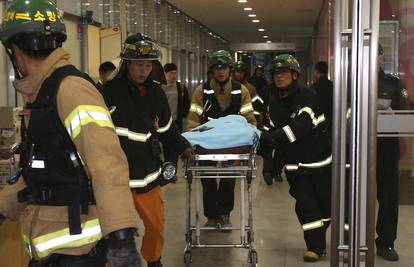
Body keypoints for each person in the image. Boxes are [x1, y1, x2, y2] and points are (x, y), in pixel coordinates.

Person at [0, 1, 141, 267]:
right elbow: (40, 174)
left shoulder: (70, 89)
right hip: (49, 252)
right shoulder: (42, 96)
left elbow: (107, 163)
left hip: (77, 253)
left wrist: (122, 238)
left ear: (15, 50)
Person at [102, 33, 194, 267]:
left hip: (148, 176)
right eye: (138, 64)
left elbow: (166, 129)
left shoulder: (155, 93)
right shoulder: (108, 92)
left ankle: (153, 260)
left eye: (147, 64)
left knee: (156, 226)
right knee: (110, 230)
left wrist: (185, 148)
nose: (143, 70)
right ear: (127, 64)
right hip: (116, 179)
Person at [259, 54, 332, 262]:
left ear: (294, 74)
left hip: (319, 161)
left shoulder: (309, 97)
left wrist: (268, 139)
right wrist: (269, 160)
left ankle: (320, 232)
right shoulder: (273, 100)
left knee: (326, 207)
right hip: (295, 165)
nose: (279, 76)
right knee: (305, 205)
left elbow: (299, 127)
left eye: (283, 72)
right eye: (275, 73)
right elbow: (271, 127)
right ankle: (315, 246)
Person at [187, 50, 256, 229]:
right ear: (212, 70)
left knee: (229, 179)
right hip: (207, 144)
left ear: (230, 69)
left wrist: (251, 141)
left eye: (224, 67)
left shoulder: (241, 90)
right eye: (217, 68)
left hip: (232, 144)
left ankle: (224, 214)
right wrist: (191, 145)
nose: (221, 71)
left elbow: (249, 119)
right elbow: (193, 119)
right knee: (207, 180)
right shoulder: (201, 91)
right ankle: (211, 216)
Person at [375, 44, 410, 262]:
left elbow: (405, 110)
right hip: (356, 146)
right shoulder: (350, 84)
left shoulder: (393, 83)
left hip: (386, 147)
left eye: (375, 54)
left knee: (388, 197)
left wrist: (386, 110)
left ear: (381, 56)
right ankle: (350, 237)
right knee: (352, 194)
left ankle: (386, 242)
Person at [232, 61, 265, 126]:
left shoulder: (251, 88)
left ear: (245, 73)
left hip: (246, 121)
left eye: (242, 72)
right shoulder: (228, 87)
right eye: (237, 71)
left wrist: (258, 120)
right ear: (233, 72)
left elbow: (257, 105)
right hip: (231, 121)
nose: (239, 74)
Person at [311, 61, 333, 132]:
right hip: (332, 121)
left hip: (318, 122)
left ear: (316, 71)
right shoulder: (333, 86)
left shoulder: (314, 87)